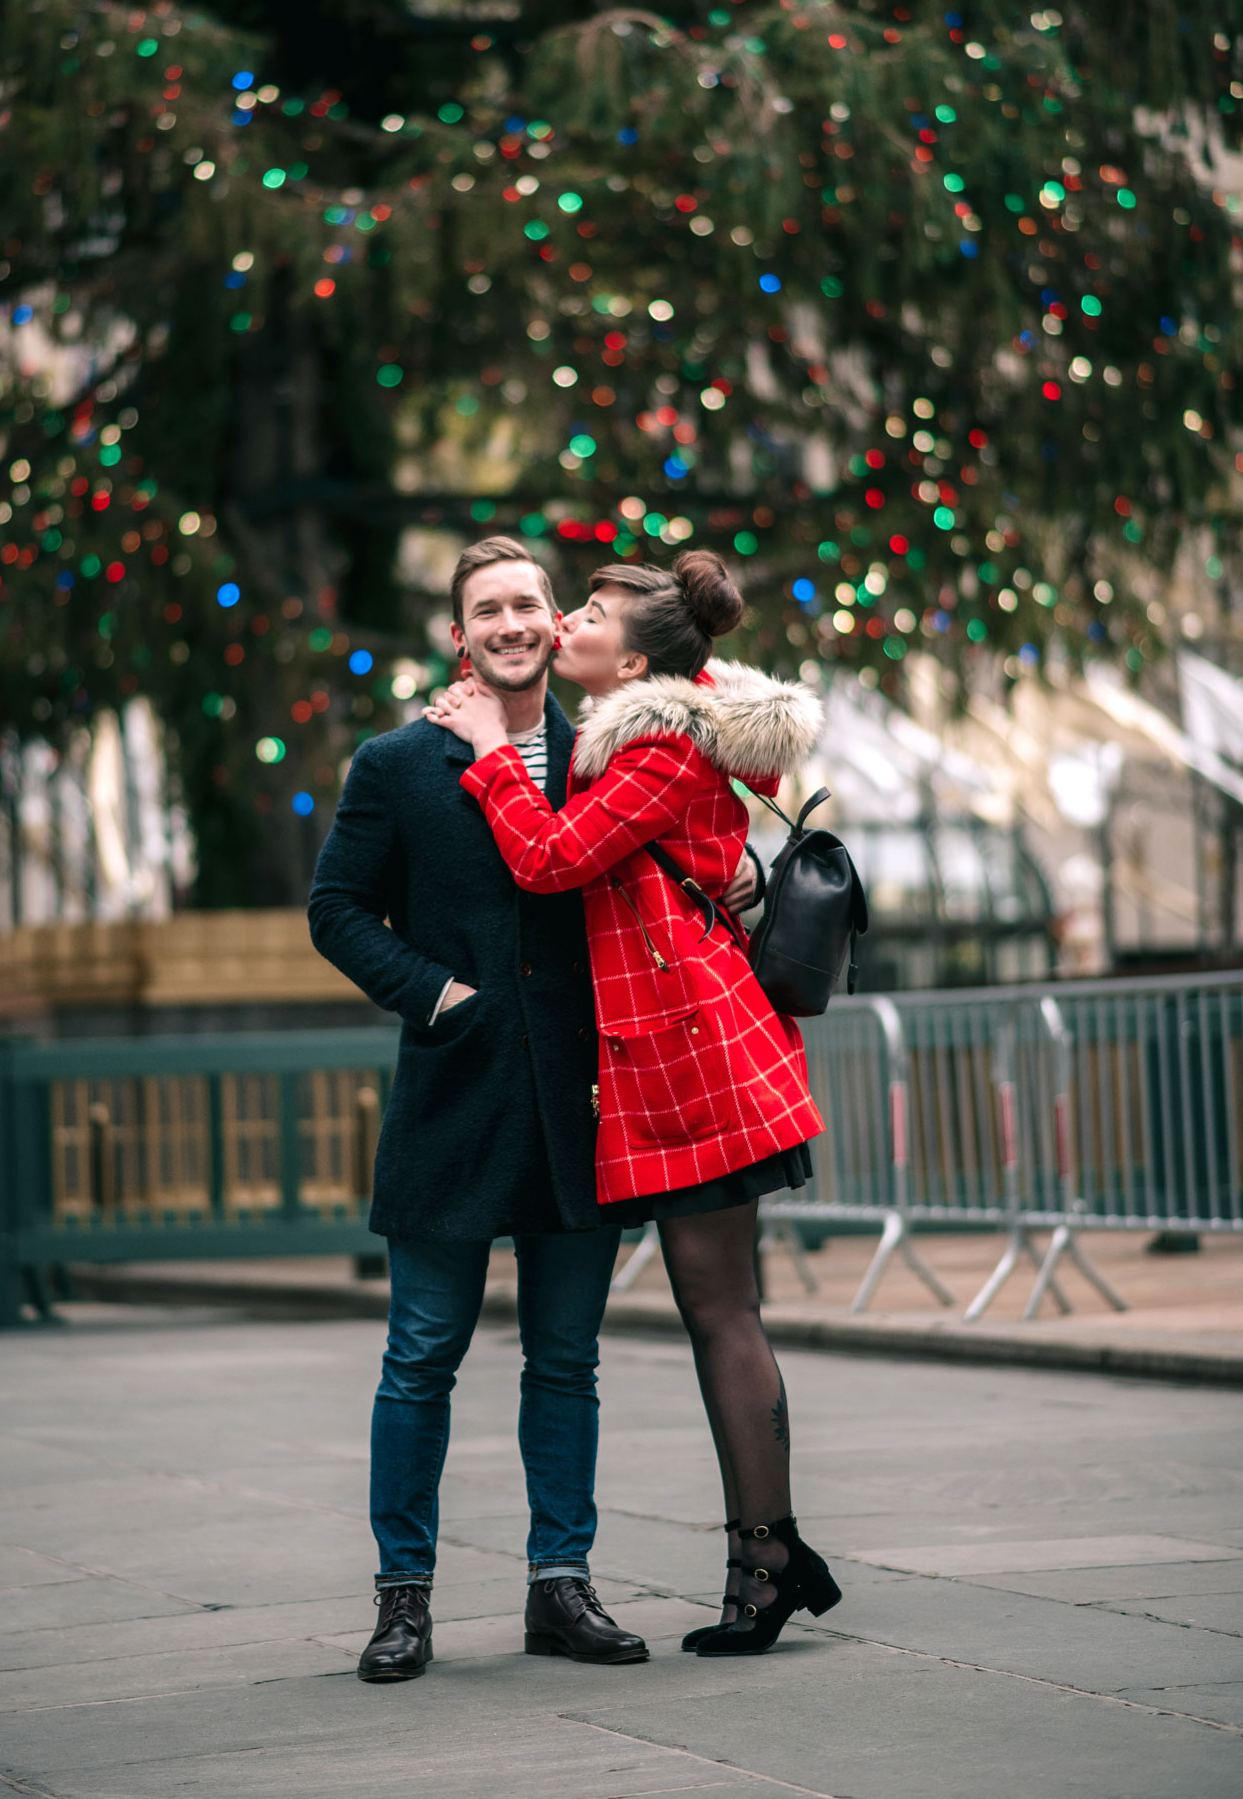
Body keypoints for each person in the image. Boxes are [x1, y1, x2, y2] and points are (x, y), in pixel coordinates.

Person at [309, 537, 759, 1683]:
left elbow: (697, 774)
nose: (510, 624)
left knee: (566, 1361)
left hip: (581, 1108)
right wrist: (438, 998)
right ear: (458, 638)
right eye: (486, 611)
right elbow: (338, 910)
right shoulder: (395, 764)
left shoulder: (609, 754)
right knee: (420, 1357)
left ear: (557, 625)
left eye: (527, 604)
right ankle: (400, 1600)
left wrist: (741, 872)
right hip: (452, 1099)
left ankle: (560, 1588)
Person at [425, 549, 843, 1656]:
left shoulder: (655, 744)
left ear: (639, 657)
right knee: (720, 1308)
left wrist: (482, 753)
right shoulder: (658, 725)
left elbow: (551, 860)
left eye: (590, 617)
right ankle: (768, 1555)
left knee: (719, 1309)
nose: (563, 626)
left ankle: (768, 1562)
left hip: (693, 1049)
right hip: (686, 1039)